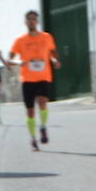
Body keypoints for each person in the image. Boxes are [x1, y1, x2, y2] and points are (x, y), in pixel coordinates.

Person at [7, 10, 58, 150]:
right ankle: (33, 138)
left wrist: (55, 60)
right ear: (25, 22)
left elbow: (52, 51)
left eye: (34, 19)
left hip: (43, 76)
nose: (32, 21)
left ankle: (42, 127)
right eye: (29, 19)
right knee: (30, 111)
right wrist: (18, 62)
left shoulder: (47, 37)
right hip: (27, 79)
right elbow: (10, 57)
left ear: (37, 21)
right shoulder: (20, 41)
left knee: (42, 103)